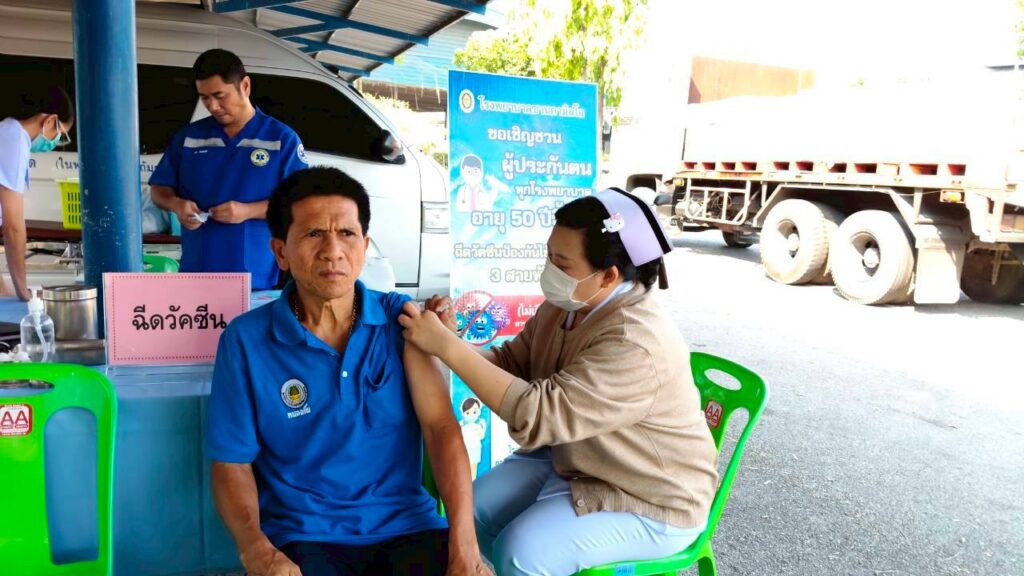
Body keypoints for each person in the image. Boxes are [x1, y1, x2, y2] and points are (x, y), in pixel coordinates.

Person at [401, 188, 720, 575]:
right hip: (579, 460)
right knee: (471, 510)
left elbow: (538, 414)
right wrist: (452, 340)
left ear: (608, 276)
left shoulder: (635, 342)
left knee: (521, 553)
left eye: (562, 263)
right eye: (549, 256)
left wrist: (448, 348)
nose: (549, 270)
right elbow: (510, 365)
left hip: (650, 496)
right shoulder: (565, 306)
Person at [206, 166, 490, 576]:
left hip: (408, 527)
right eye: (313, 234)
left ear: (365, 245)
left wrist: (465, 548)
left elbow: (441, 428)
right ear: (280, 251)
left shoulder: (402, 322)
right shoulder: (246, 340)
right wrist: (257, 550)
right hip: (305, 537)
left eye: (347, 233)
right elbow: (231, 462)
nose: (333, 250)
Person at [150, 48, 307, 289]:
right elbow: (159, 189)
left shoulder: (280, 139)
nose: (213, 106)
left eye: (219, 95)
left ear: (245, 86)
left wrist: (248, 211)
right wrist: (176, 205)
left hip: (258, 278)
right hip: (197, 274)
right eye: (204, 98)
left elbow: (300, 202)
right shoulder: (190, 138)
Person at [0, 86, 73, 300]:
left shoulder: (8, 132)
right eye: (60, 135)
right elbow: (13, 226)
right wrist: (24, 292)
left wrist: (6, 290)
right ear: (50, 121)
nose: (56, 142)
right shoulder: (14, 138)